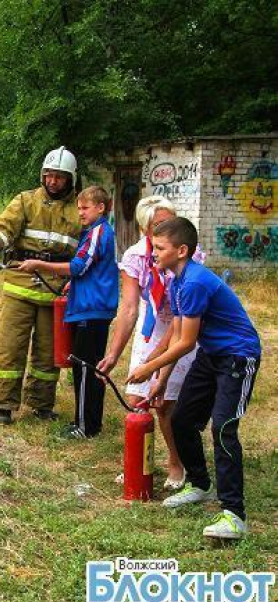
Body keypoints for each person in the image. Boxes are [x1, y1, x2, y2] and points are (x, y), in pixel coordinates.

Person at [127, 217, 260, 540]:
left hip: (237, 356)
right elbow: (175, 332)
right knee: (183, 420)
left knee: (223, 428)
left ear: (182, 250)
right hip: (211, 355)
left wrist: (148, 367)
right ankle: (200, 485)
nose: (153, 254)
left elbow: (185, 343)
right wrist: (158, 378)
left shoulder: (196, 281)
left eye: (160, 248)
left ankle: (234, 515)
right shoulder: (177, 280)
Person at [97, 196, 205, 489]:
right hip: (152, 324)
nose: (168, 228)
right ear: (146, 230)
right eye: (160, 225)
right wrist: (114, 354)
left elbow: (184, 316)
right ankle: (137, 464)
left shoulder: (187, 254)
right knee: (137, 400)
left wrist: (159, 363)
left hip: (184, 325)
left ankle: (176, 463)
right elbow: (129, 308)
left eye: (171, 222)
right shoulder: (135, 256)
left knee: (168, 405)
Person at [0, 146, 82, 425]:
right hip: (19, 283)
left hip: (55, 290)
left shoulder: (78, 211)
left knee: (48, 352)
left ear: (71, 179)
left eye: (59, 177)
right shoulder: (25, 201)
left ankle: (41, 404)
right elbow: (5, 227)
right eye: (48, 176)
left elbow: (84, 250)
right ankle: (4, 404)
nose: (52, 182)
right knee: (10, 345)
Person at [16, 186, 118, 438]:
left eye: (85, 208)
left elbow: (78, 265)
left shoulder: (98, 232)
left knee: (84, 369)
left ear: (101, 208)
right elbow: (90, 270)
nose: (80, 213)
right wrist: (75, 283)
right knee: (89, 369)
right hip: (91, 310)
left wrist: (39, 264)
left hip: (90, 312)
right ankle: (88, 424)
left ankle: (84, 428)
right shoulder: (96, 231)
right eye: (79, 208)